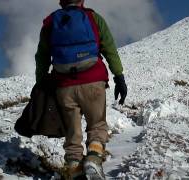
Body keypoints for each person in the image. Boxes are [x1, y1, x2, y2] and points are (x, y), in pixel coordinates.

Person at [35, 0, 127, 179]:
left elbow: (42, 57)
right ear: (82, 0)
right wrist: (119, 76)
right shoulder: (93, 17)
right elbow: (109, 47)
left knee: (72, 133)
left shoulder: (50, 22)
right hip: (93, 81)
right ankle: (93, 158)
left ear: (61, 1)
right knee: (97, 125)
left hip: (64, 87)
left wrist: (41, 83)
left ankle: (74, 169)